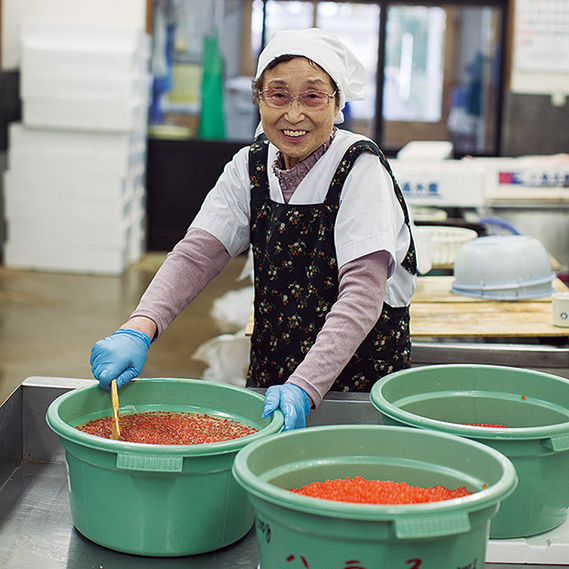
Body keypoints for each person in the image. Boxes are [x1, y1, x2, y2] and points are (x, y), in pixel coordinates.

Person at [90, 28, 417, 431]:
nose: (293, 114)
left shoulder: (359, 168)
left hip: (355, 380)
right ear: (258, 99)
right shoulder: (250, 165)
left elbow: (363, 295)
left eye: (313, 96)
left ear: (337, 105)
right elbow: (196, 255)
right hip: (273, 370)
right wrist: (139, 327)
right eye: (277, 95)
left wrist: (304, 385)